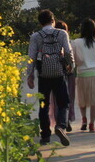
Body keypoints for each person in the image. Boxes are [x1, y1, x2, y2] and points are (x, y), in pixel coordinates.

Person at [26, 10, 73, 146]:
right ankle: (61, 126)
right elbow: (69, 51)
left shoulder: (36, 36)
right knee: (63, 102)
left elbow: (32, 56)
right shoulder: (62, 33)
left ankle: (45, 135)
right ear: (53, 20)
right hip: (59, 72)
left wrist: (30, 76)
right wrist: (71, 66)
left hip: (43, 74)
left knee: (44, 105)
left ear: (40, 22)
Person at [71, 19, 95, 132]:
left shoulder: (76, 42)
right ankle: (92, 123)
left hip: (82, 73)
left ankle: (84, 119)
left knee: (82, 98)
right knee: (94, 100)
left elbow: (73, 59)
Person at [56, 20, 76, 124]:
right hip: (69, 72)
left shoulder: (52, 41)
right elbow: (70, 54)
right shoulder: (69, 42)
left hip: (56, 71)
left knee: (56, 98)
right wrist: (72, 66)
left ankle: (59, 119)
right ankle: (68, 118)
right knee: (70, 96)